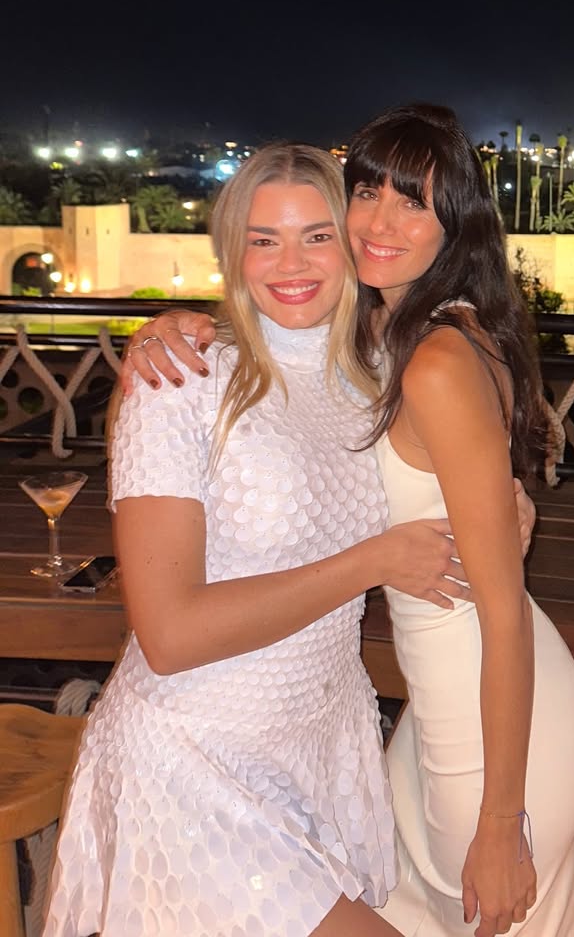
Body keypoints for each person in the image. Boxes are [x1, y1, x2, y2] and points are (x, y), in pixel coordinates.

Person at [125, 104, 574, 937]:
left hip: (490, 714)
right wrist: (176, 326)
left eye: (414, 201)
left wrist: (501, 822)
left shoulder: (436, 359)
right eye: (368, 192)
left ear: (456, 224)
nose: (380, 220)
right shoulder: (387, 336)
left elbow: (502, 612)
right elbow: (294, 342)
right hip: (435, 705)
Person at [43, 144, 480, 937]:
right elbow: (169, 634)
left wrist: (506, 503)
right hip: (195, 765)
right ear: (231, 252)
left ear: (351, 244)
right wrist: (373, 561)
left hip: (317, 751)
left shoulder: (376, 373)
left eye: (316, 235)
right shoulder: (181, 381)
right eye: (263, 239)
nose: (292, 263)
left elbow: (448, 469)